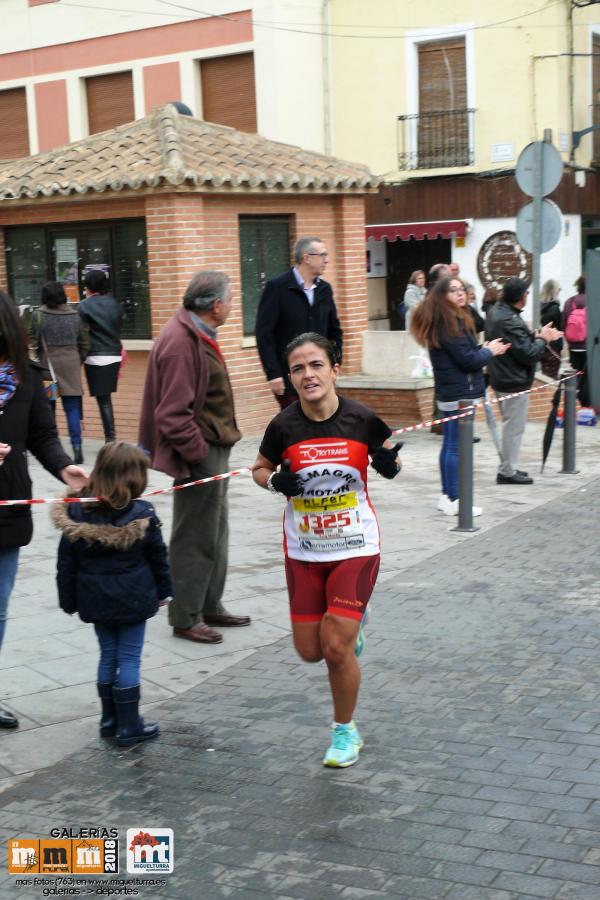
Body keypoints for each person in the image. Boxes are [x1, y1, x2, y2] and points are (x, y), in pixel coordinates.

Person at [252, 332, 401, 768]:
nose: (307, 375)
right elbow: (259, 468)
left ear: (334, 369)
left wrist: (390, 464)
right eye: (298, 368)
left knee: (335, 647)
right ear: (291, 377)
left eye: (316, 364)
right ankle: (353, 622)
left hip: (356, 543)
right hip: (304, 550)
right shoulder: (283, 425)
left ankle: (345, 733)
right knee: (309, 650)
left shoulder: (361, 418)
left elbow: (389, 456)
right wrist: (274, 481)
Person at [139, 270, 249, 645]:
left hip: (213, 449)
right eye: (231, 299)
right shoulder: (181, 341)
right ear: (216, 305)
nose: (233, 305)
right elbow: (172, 414)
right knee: (194, 537)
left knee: (215, 532)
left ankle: (208, 603)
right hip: (201, 453)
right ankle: (185, 615)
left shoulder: (196, 332)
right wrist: (198, 453)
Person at [0, 291, 87, 730]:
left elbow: (42, 435)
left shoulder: (28, 377)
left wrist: (63, 466)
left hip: (7, 504)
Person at [52, 442, 172, 747]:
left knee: (108, 656)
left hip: (94, 598)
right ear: (136, 477)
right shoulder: (142, 512)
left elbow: (66, 562)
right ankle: (129, 726)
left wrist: (68, 600)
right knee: (129, 658)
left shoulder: (77, 512)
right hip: (134, 597)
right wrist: (165, 591)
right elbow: (158, 556)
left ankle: (108, 721)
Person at [411, 277, 509, 516]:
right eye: (453, 290)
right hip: (458, 393)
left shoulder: (452, 319)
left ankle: (448, 496)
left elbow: (466, 354)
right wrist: (488, 352)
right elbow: (467, 361)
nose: (460, 293)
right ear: (442, 296)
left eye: (462, 289)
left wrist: (483, 348)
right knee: (455, 447)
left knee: (450, 445)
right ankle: (455, 498)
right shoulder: (447, 324)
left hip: (453, 390)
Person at [485, 277, 562, 485]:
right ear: (521, 297)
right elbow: (528, 353)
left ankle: (509, 467)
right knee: (513, 428)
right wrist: (543, 338)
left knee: (512, 426)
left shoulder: (498, 312)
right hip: (513, 381)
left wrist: (539, 335)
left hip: (503, 377)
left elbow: (518, 343)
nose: (528, 296)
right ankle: (507, 471)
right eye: (526, 293)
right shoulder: (508, 318)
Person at [255, 236, 343, 409]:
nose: (327, 260)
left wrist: (334, 362)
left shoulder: (325, 289)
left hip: (321, 374)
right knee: (296, 424)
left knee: (323, 420)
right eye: (322, 255)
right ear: (306, 258)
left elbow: (335, 331)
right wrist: (273, 373)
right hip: (290, 376)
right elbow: (264, 333)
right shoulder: (277, 288)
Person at [28, 282, 89, 464]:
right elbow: (84, 343)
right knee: (72, 409)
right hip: (71, 367)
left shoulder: (39, 315)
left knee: (49, 410)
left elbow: (33, 340)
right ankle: (77, 448)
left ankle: (52, 449)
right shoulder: (75, 315)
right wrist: (77, 360)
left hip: (48, 370)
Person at [78, 269, 122, 443]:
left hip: (95, 356)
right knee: (106, 398)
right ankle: (110, 438)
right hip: (115, 354)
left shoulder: (84, 306)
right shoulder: (115, 303)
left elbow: (80, 333)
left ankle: (110, 439)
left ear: (88, 286)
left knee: (103, 400)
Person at [562, 275, 589, 408]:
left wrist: (570, 341)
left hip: (573, 347)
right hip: (589, 347)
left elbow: (564, 325)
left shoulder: (569, 302)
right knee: (588, 378)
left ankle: (574, 405)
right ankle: (586, 406)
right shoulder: (594, 301)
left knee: (576, 377)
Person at [539, 279, 563, 380]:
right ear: (554, 291)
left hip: (543, 345)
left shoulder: (540, 308)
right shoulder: (555, 308)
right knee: (552, 380)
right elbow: (560, 327)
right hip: (554, 347)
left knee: (545, 377)